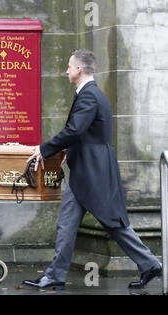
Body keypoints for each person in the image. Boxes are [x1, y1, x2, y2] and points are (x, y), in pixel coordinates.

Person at [23, 49, 162, 290]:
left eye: (69, 66)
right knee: (71, 223)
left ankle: (149, 263)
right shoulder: (92, 94)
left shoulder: (88, 95)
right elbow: (86, 134)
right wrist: (69, 151)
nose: (66, 70)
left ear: (79, 69)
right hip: (88, 171)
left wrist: (45, 148)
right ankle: (56, 274)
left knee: (112, 222)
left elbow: (75, 130)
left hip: (92, 173)